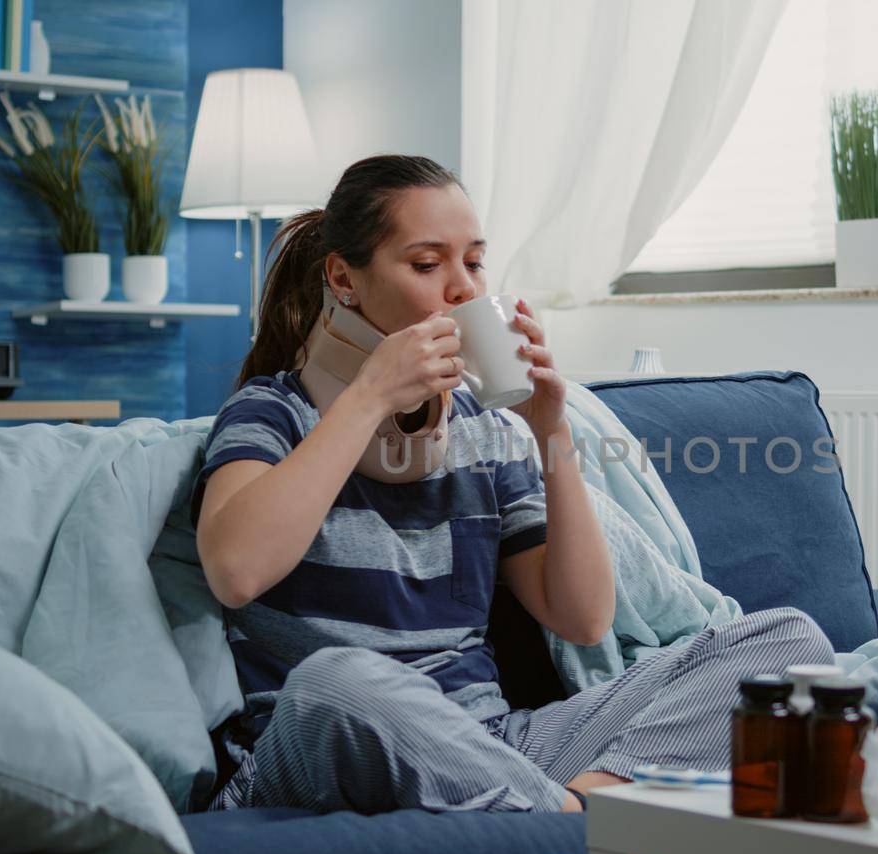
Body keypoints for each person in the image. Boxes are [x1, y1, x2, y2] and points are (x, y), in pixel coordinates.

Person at [193, 154, 837, 815]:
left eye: (473, 262)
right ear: (343, 278)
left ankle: (568, 811)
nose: (462, 290)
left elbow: (584, 620)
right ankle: (566, 824)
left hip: (496, 745)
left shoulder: (486, 432)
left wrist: (549, 429)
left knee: (788, 642)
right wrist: (369, 395)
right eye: (426, 264)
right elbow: (236, 571)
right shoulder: (270, 413)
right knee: (340, 679)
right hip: (321, 740)